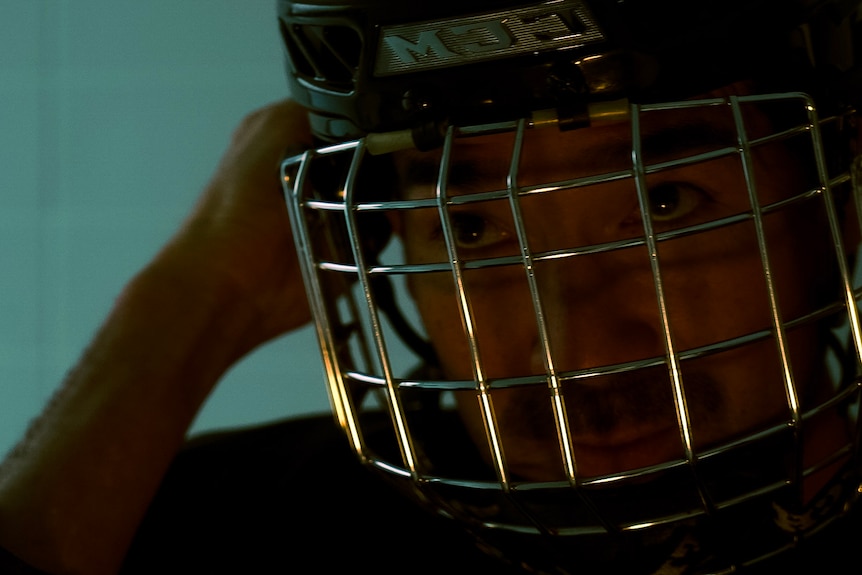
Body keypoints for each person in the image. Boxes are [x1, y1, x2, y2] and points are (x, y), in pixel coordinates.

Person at [2, 0, 862, 573]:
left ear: (837, 208)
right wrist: (192, 301)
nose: (578, 350)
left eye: (666, 203)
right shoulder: (233, 523)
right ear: (374, 234)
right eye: (471, 227)